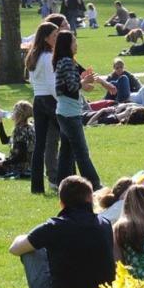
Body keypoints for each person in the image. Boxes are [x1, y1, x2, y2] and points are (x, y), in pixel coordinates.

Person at [8, 176, 116, 288]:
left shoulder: (54, 226)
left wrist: (22, 237)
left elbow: (15, 249)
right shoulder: (104, 224)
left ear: (61, 203)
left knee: (29, 251)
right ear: (91, 199)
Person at [53, 30, 105, 190]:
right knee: (81, 152)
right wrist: (83, 82)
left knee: (66, 153)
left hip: (64, 112)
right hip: (70, 114)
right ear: (67, 45)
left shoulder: (65, 61)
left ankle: (62, 184)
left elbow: (69, 86)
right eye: (74, 41)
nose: (77, 45)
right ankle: (95, 185)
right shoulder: (67, 62)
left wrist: (85, 82)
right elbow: (71, 87)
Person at [26, 22, 61, 194]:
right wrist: (61, 100)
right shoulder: (48, 57)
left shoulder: (33, 55)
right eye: (54, 36)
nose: (56, 39)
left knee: (41, 144)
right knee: (68, 138)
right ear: (46, 38)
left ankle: (37, 186)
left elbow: (33, 81)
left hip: (38, 100)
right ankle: (60, 178)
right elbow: (51, 84)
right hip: (50, 100)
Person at [0, 100, 35, 174]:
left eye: (14, 111)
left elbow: (21, 157)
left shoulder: (19, 130)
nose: (12, 113)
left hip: (21, 168)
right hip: (31, 166)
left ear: (18, 115)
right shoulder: (30, 127)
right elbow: (5, 140)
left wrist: (3, 163)